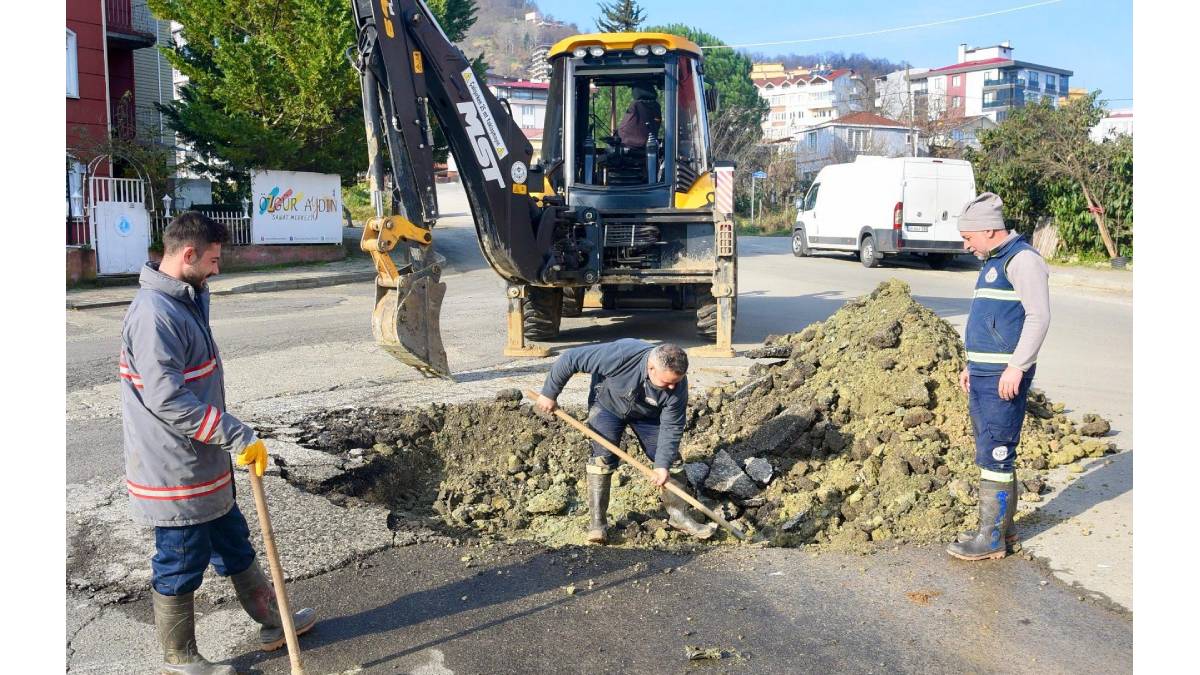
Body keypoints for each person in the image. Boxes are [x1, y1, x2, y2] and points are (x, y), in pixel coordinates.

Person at [120, 212, 316, 673]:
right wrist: (235, 433)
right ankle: (179, 656)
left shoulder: (186, 298)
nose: (217, 268)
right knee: (180, 560)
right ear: (187, 255)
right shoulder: (154, 315)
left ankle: (272, 621)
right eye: (212, 259)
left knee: (234, 543)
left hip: (204, 460)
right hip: (173, 469)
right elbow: (168, 399)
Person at [947, 193, 1051, 562]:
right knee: (990, 451)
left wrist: (1017, 366)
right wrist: (971, 365)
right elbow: (990, 320)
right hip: (984, 372)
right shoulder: (993, 260)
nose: (965, 244)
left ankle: (989, 539)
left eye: (969, 236)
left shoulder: (1023, 260)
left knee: (997, 453)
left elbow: (1038, 317)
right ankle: (1002, 531)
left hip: (1004, 376)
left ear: (989, 230)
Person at [536, 339, 716, 544]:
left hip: (649, 416)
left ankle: (679, 517)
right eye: (667, 382)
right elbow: (570, 358)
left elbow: (672, 427)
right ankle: (597, 525)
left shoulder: (677, 387)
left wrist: (662, 466)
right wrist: (549, 393)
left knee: (671, 461)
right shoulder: (621, 355)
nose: (672, 386)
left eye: (676, 381)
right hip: (608, 405)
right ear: (651, 368)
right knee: (602, 458)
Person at [616, 84, 662, 149]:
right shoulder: (657, 107)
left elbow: (624, 125)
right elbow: (657, 122)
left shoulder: (635, 105)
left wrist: (617, 133)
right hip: (650, 144)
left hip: (629, 145)